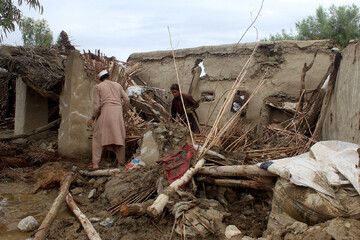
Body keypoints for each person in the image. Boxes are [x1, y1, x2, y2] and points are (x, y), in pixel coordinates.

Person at [87, 70, 129, 169]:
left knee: (97, 138)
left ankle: (95, 164)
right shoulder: (118, 85)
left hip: (105, 112)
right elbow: (126, 99)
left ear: (99, 79)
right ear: (109, 77)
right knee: (119, 137)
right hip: (118, 113)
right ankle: (120, 163)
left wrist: (92, 118)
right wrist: (123, 111)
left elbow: (97, 106)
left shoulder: (98, 87)